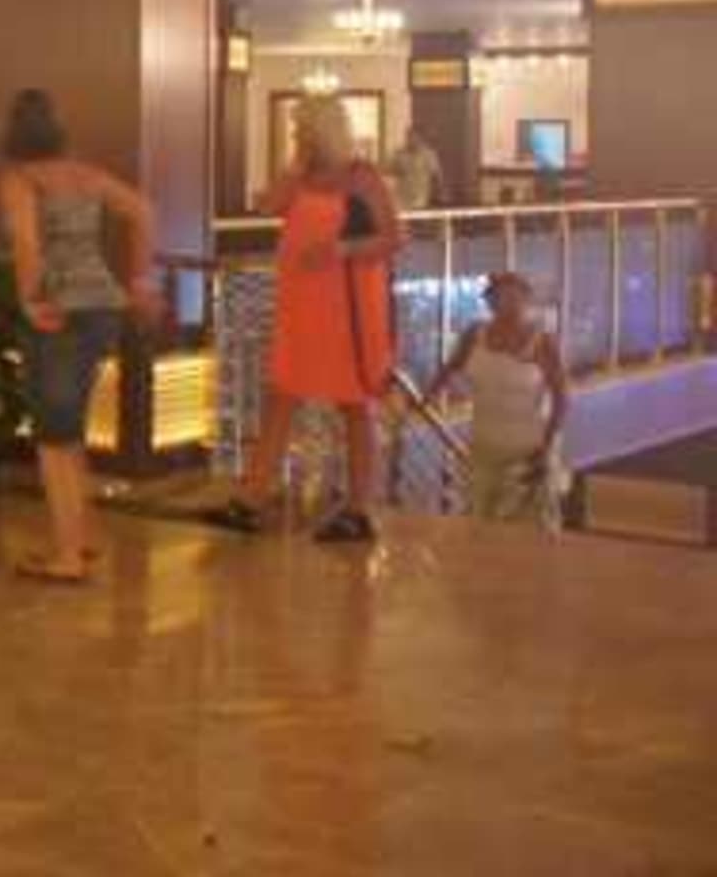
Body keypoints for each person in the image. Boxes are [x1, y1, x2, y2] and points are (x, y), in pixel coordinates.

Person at [203, 94, 404, 542]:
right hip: (301, 304)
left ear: (322, 131)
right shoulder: (301, 178)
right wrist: (294, 167)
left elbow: (394, 237)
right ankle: (252, 499)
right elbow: (268, 206)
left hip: (347, 305)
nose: (296, 136)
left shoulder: (362, 178)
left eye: (302, 130)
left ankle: (358, 508)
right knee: (282, 394)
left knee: (354, 405)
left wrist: (341, 249)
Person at [0, 90, 162, 583]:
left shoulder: (20, 179)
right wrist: (140, 280)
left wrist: (30, 300)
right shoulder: (84, 175)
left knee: (53, 439)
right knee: (71, 432)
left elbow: (27, 243)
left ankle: (67, 557)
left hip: (57, 311)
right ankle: (82, 538)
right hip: (102, 308)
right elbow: (143, 211)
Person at [424, 272, 568, 525]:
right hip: (483, 447)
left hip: (527, 449)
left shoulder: (543, 342)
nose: (507, 303)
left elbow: (561, 399)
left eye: (514, 296)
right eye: (500, 296)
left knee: (527, 525)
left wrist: (546, 448)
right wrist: (427, 397)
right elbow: (451, 367)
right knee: (480, 520)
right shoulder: (475, 335)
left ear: (527, 300)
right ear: (490, 301)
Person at [387, 126, 443, 212]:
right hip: (402, 200)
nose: (411, 140)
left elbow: (436, 175)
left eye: (414, 137)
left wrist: (438, 194)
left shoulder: (428, 155)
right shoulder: (400, 155)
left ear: (420, 138)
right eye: (409, 137)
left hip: (421, 201)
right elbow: (391, 173)